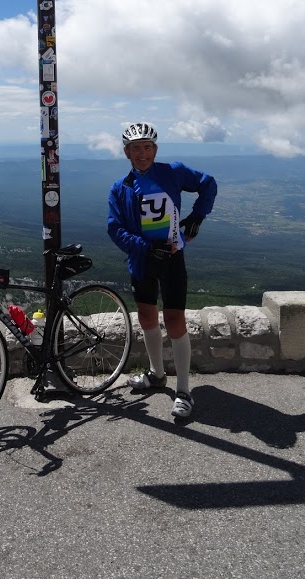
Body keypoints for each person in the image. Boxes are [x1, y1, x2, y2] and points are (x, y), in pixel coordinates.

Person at [107, 122, 217, 419]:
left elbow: (208, 183)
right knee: (146, 317)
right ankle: (157, 375)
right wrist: (143, 246)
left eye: (147, 147)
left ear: (155, 149)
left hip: (172, 257)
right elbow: (114, 228)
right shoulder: (121, 188)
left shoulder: (172, 172)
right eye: (135, 149)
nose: (142, 153)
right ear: (126, 152)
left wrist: (197, 217)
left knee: (175, 320)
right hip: (142, 260)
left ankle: (183, 390)